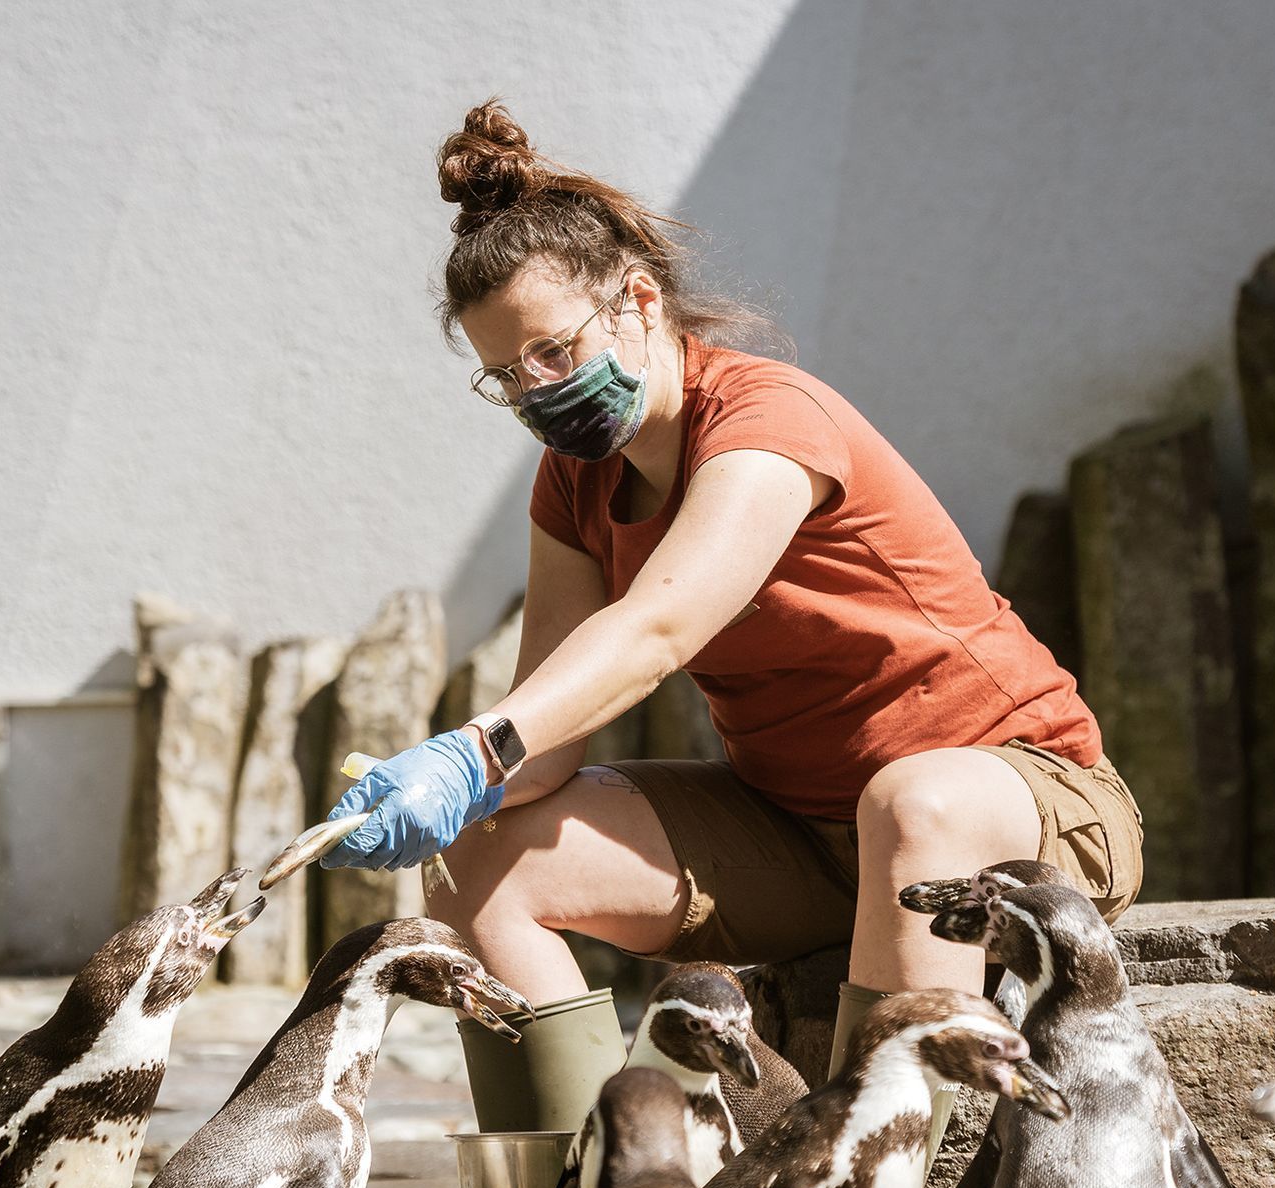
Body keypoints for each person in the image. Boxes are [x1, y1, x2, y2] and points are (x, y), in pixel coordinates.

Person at [321, 100, 1143, 1133]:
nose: (537, 391)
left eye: (552, 351)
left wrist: (472, 749)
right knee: (477, 862)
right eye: (506, 375)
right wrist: (436, 787)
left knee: (912, 801)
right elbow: (545, 743)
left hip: (1022, 808)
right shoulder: (572, 486)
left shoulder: (765, 419)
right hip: (804, 835)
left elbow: (657, 630)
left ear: (636, 300)